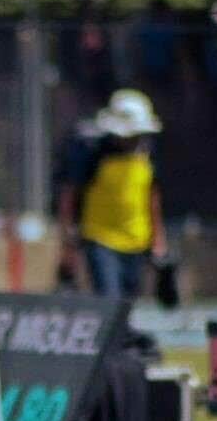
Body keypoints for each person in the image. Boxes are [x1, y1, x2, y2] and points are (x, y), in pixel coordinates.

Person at [57, 88, 168, 300]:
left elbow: (152, 197)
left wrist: (158, 241)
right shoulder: (93, 153)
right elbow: (70, 195)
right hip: (101, 239)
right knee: (109, 298)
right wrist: (68, 242)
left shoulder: (148, 154)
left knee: (128, 302)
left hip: (137, 241)